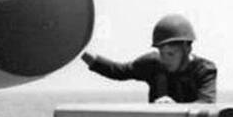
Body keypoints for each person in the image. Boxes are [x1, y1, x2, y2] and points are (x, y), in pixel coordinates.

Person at [81, 14, 217, 104]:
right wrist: (80, 52)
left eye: (171, 54)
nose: (165, 60)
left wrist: (176, 108)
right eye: (161, 53)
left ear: (187, 49)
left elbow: (207, 104)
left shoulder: (204, 70)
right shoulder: (153, 64)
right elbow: (118, 71)